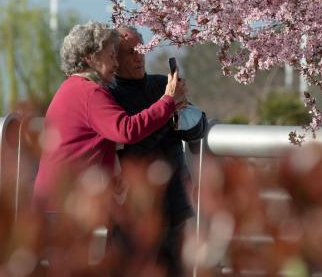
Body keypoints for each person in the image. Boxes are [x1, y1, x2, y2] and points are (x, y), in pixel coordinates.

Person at [32, 21, 187, 211]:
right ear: (90, 58)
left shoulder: (71, 88)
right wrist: (168, 100)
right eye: (112, 56)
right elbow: (126, 130)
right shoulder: (90, 93)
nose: (116, 63)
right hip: (66, 206)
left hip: (55, 202)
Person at [109, 26, 209, 277]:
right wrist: (167, 112)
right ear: (114, 58)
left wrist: (179, 111)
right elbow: (132, 145)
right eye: (130, 52)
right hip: (133, 210)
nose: (139, 56)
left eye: (142, 49)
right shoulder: (109, 96)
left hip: (174, 203)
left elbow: (197, 129)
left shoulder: (161, 84)